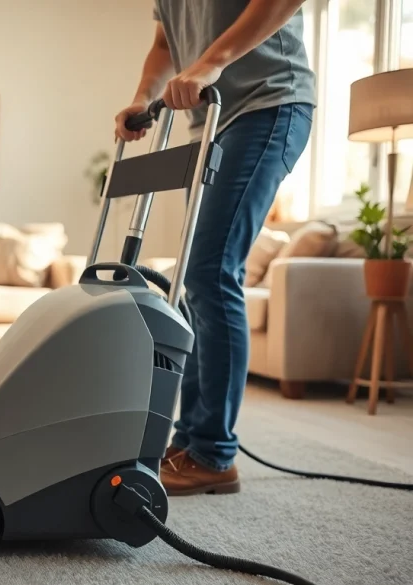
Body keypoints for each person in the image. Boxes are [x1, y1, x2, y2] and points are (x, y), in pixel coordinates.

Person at [114, 1, 315, 495]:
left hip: (268, 103)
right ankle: (189, 441)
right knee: (191, 280)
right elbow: (165, 43)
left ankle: (213, 451)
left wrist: (212, 61)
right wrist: (144, 94)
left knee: (210, 271)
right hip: (209, 123)